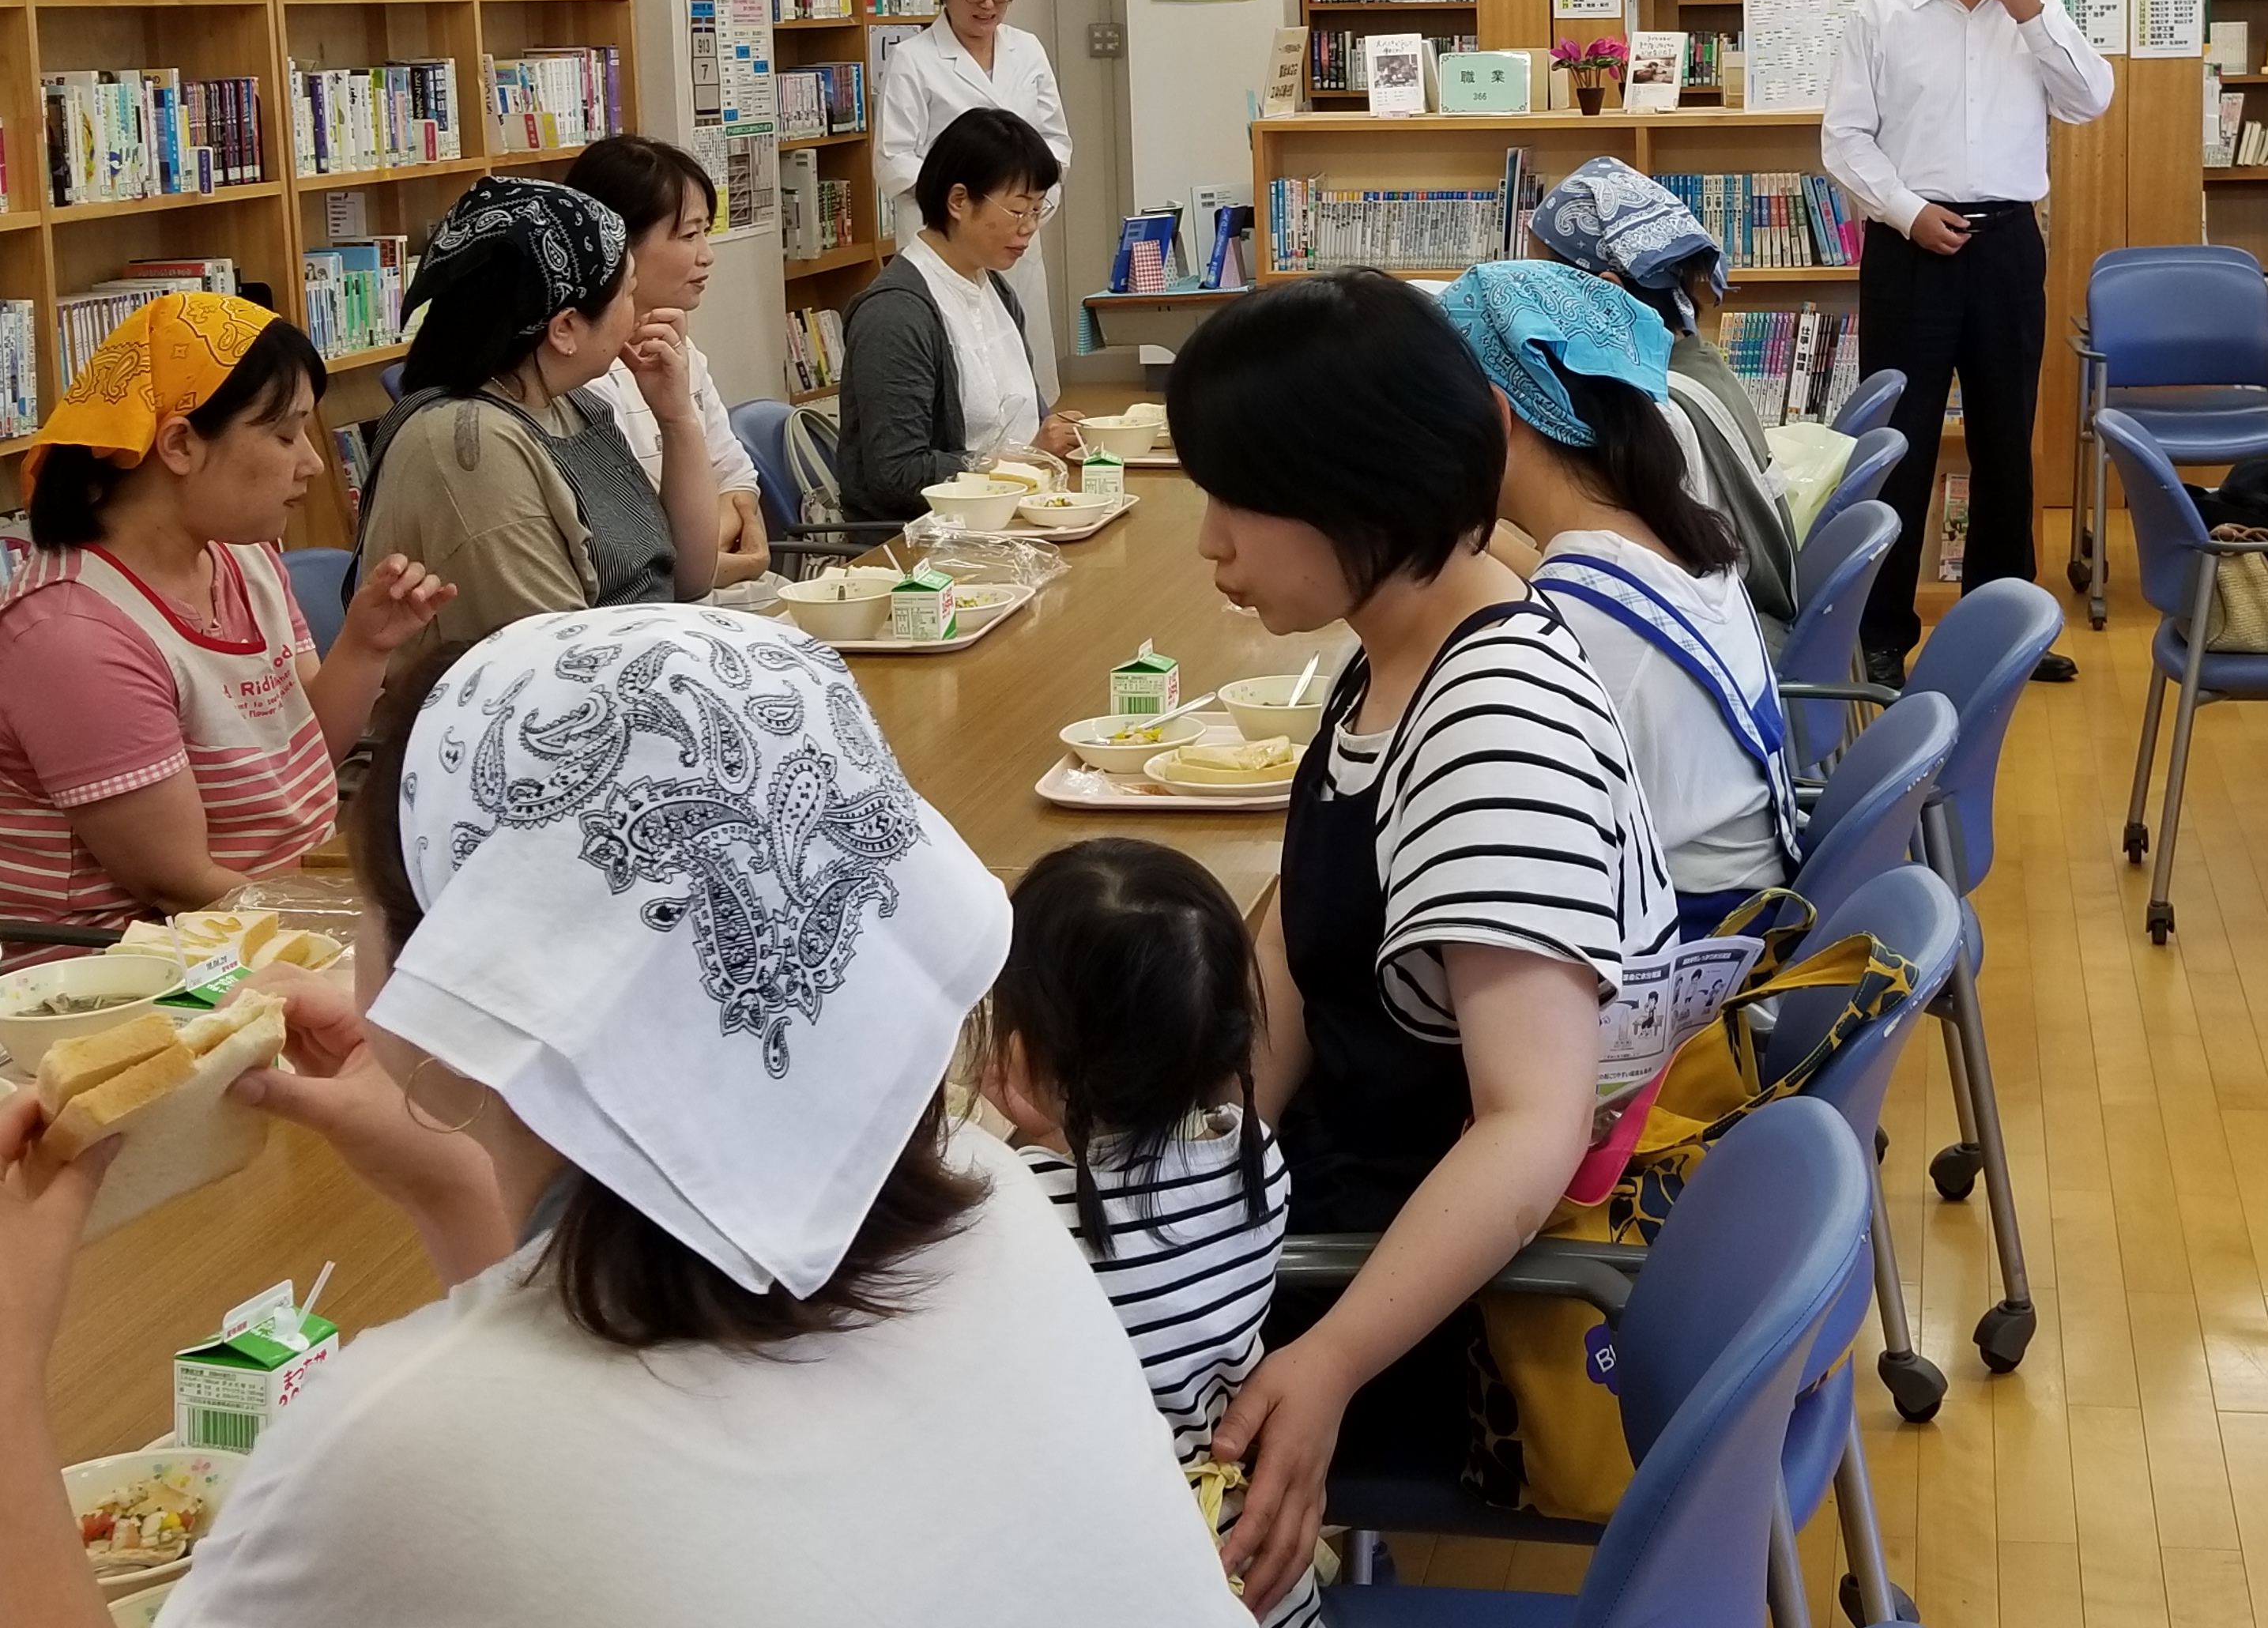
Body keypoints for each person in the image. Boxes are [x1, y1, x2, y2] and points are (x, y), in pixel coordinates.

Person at [0, 608, 1249, 1628]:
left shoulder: (398, 1454)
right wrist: (454, 1183)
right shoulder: (988, 1200)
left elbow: (533, 1452)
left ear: (468, 965)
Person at [1166, 271, 1675, 1618]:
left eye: (1238, 500)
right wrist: (1194, 1145)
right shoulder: (1406, 640)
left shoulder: (1489, 722)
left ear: (1360, 494)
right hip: (1366, 1215)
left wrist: (1327, 1361)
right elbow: (1301, 944)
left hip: (1454, 1310)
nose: (1209, 542)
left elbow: (1529, 1124)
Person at [0, 296, 448, 956]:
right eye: (285, 435)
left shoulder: (241, 556)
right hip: (138, 967)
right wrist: (358, 937)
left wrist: (364, 645)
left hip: (264, 912)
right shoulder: (73, 634)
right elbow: (180, 884)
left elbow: (303, 757)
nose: (311, 463)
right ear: (180, 444)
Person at [988, 839, 1320, 1628]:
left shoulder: (1021, 1212)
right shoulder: (1253, 1157)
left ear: (1025, 1056)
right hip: (1259, 1575)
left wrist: (1030, 1132)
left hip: (1124, 1583)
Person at [1821, 0, 2112, 686]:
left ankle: (2004, 629)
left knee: (2006, 440)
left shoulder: (2038, 12)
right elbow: (1844, 137)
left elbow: (2091, 99)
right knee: (1901, 443)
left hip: (2008, 245)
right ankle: (1882, 633)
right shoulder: (1883, 13)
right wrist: (1907, 211)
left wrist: (2035, 18)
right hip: (1911, 245)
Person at [1444, 262, 1793, 937]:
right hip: (1747, 902)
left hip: (1681, 958)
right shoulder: (1676, 534)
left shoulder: (1573, 630)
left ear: (1494, 414)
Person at [355, 177, 715, 663]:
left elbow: (689, 579)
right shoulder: (470, 447)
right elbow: (562, 661)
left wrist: (676, 418)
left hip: (640, 665)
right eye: (629, 294)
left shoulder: (571, 405)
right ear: (565, 329)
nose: (639, 314)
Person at [1528, 155, 1798, 634]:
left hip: (1729, 636)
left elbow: (1626, 587)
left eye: (1539, 281)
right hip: (1745, 618)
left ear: (1604, 293)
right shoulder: (1697, 360)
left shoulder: (1653, 412)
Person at [838, 107, 1085, 522]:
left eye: (1037, 211)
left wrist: (1053, 436)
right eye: (1017, 210)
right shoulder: (894, 315)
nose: (1029, 227)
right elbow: (897, 475)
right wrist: (1016, 463)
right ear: (958, 201)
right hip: (927, 538)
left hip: (1007, 515)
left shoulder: (994, 288)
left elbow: (1026, 419)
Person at [876, 0, 1074, 388]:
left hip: (1017, 231)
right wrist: (969, 205)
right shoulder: (913, 60)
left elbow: (1055, 142)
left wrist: (1026, 209)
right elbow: (893, 159)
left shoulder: (1027, 49)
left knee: (1023, 368)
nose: (988, 4)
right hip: (949, 238)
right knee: (963, 375)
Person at [564, 135, 767, 586]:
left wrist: (699, 553)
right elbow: (639, 550)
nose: (707, 255)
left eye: (705, 232)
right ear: (618, 244)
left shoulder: (676, 349)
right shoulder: (582, 380)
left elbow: (738, 482)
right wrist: (716, 559)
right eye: (690, 235)